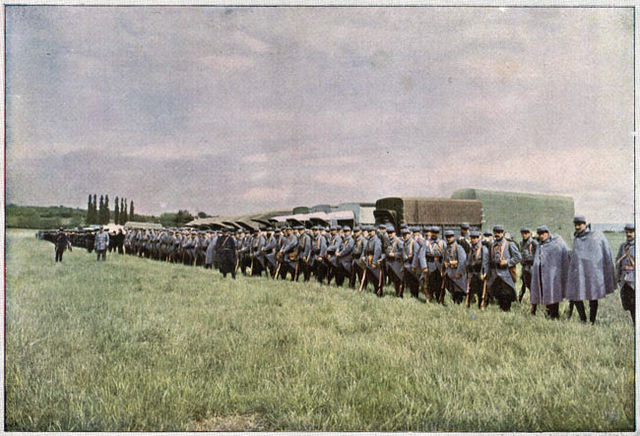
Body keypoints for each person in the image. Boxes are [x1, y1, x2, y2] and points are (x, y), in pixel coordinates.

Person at [565, 215, 616, 324]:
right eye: (576, 225)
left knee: (593, 295)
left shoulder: (594, 236)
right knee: (576, 295)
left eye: (579, 225)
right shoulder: (576, 238)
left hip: (591, 272)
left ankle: (592, 321)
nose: (577, 227)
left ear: (585, 224)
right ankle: (583, 319)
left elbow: (600, 252)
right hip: (578, 271)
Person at [530, 225, 569, 319]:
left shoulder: (556, 242)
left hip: (554, 274)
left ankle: (555, 315)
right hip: (542, 274)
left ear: (547, 233)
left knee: (554, 293)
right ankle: (548, 314)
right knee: (546, 294)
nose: (541, 236)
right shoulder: (540, 244)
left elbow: (564, 253)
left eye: (543, 234)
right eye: (539, 234)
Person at [487, 225, 522, 311]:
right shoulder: (492, 245)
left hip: (506, 274)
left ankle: (507, 312)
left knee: (506, 294)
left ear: (502, 233)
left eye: (499, 232)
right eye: (496, 232)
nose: (497, 234)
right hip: (495, 274)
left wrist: (507, 262)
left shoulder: (510, 244)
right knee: (498, 294)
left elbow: (518, 257)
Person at [616, 223, 635, 323]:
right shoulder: (622, 246)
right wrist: (618, 278)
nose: (628, 234)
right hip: (625, 280)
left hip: (634, 280)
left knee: (634, 304)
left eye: (631, 232)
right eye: (627, 232)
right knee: (627, 304)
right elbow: (618, 262)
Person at [443, 230, 467, 304]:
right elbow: (444, 259)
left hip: (457, 272)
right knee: (452, 290)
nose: (448, 238)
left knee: (458, 290)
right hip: (450, 272)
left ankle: (458, 304)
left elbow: (462, 261)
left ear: (453, 237)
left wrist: (459, 272)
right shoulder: (447, 248)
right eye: (447, 237)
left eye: (450, 237)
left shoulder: (458, 248)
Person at [466, 230, 489, 308]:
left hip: (480, 271)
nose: (473, 239)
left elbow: (485, 262)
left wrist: (483, 273)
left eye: (475, 238)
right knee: (471, 290)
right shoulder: (471, 248)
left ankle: (481, 306)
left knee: (481, 291)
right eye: (472, 238)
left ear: (478, 238)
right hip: (472, 272)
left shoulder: (483, 249)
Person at [519, 227, 539, 303]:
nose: (524, 235)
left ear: (530, 234)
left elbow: (538, 254)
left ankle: (535, 301)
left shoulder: (533, 243)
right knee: (525, 284)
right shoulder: (521, 243)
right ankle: (520, 299)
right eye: (523, 233)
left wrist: (530, 259)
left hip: (532, 266)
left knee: (533, 285)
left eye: (526, 233)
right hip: (524, 267)